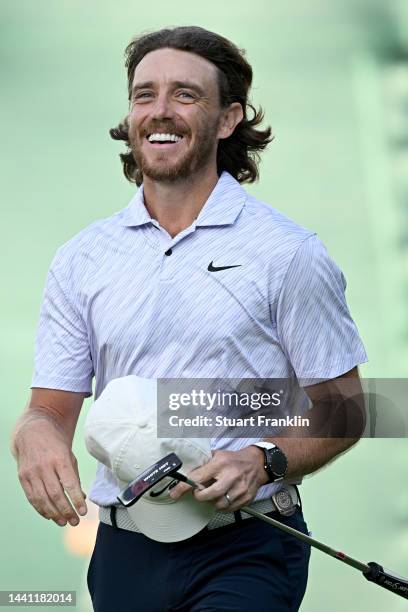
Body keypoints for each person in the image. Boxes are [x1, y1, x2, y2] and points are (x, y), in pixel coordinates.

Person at [10, 26, 368, 611]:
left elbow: (349, 406)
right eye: (144, 94)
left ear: (228, 120)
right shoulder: (82, 258)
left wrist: (264, 459)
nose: (160, 111)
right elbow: (49, 410)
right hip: (124, 549)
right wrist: (35, 440)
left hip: (248, 544)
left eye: (185, 95)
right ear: (130, 116)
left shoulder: (287, 252)